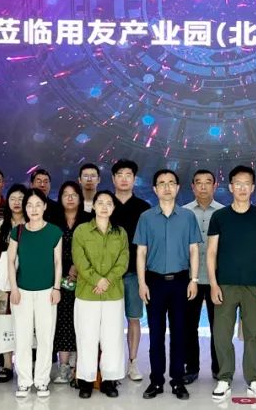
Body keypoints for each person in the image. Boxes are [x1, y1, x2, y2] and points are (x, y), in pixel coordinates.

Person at [207, 165, 256, 402]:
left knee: (253, 333)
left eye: (247, 184)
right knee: (221, 334)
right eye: (238, 183)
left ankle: (253, 379)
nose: (242, 188)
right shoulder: (220, 217)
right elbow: (211, 252)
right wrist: (213, 284)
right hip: (225, 284)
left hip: (253, 285)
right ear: (231, 186)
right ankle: (224, 378)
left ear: (253, 188)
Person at [136, 169, 202, 400]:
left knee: (179, 334)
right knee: (155, 334)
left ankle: (177, 381)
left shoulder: (187, 217)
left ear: (178, 187)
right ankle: (156, 381)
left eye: (171, 183)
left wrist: (194, 280)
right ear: (155, 189)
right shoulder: (146, 217)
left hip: (181, 282)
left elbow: (194, 250)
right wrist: (142, 282)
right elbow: (141, 252)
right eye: (162, 183)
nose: (167, 187)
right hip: (154, 282)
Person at [72, 191, 129, 399]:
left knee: (112, 338)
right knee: (87, 337)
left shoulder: (120, 233)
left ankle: (109, 380)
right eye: (100, 203)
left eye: (109, 203)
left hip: (113, 294)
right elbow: (80, 261)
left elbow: (123, 260)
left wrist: (107, 280)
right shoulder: (81, 231)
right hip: (87, 294)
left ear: (113, 208)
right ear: (93, 206)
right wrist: (97, 280)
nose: (104, 207)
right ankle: (86, 381)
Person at [7, 187, 63, 398]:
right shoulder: (18, 232)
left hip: (47, 292)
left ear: (45, 206)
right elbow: (10, 261)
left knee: (45, 338)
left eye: (38, 205)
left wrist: (56, 288)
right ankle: (23, 381)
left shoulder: (54, 232)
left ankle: (41, 381)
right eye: (29, 205)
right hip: (21, 291)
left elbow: (58, 263)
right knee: (21, 338)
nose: (34, 209)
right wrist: (13, 288)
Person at [109, 158, 151, 381]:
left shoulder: (143, 208)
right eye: (120, 175)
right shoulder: (105, 204)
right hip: (109, 275)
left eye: (128, 175)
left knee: (134, 318)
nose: (124, 179)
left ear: (135, 179)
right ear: (113, 178)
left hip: (135, 273)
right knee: (111, 322)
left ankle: (133, 362)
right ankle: (112, 364)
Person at [183, 169, 224, 383]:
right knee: (189, 326)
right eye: (198, 182)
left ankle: (219, 368)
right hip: (191, 279)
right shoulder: (184, 212)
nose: (203, 186)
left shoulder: (224, 212)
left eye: (208, 182)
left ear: (215, 186)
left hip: (217, 279)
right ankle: (191, 368)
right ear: (192, 186)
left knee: (219, 326)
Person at [52, 181, 93, 385]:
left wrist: (77, 267)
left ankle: (80, 366)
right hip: (58, 278)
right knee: (62, 321)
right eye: (65, 194)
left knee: (83, 321)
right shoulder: (53, 220)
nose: (70, 198)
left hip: (84, 277)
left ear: (80, 197)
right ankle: (63, 367)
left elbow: (92, 248)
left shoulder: (88, 219)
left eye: (74, 194)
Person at [0, 184, 27, 384]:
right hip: (3, 282)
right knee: (4, 321)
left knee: (26, 321)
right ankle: (7, 364)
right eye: (13, 198)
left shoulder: (33, 222)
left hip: (27, 279)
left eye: (21, 198)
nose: (17, 202)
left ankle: (26, 364)